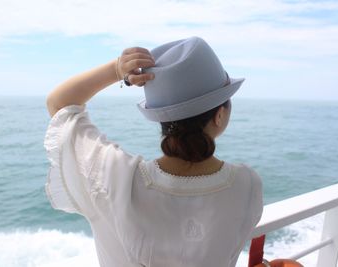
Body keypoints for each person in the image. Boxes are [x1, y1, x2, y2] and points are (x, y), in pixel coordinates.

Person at [44, 36, 263, 267]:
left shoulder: (115, 178)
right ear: (219, 116)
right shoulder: (246, 186)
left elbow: (59, 104)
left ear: (162, 117)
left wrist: (117, 69)